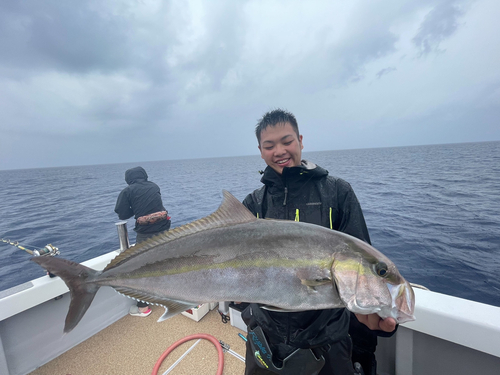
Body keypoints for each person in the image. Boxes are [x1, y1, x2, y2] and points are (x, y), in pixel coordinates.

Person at [240, 109, 397, 375]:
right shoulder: (253, 204)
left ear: (301, 140)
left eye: (287, 141)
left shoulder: (337, 193)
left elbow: (361, 269)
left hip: (326, 343)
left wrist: (369, 326)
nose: (279, 150)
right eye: (269, 145)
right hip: (265, 339)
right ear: (260, 150)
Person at [114, 166, 171, 317]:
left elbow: (122, 214)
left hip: (146, 234)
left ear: (128, 179)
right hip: (165, 230)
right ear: (144, 175)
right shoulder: (154, 186)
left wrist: (135, 209)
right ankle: (169, 296)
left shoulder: (127, 191)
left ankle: (143, 308)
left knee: (142, 269)